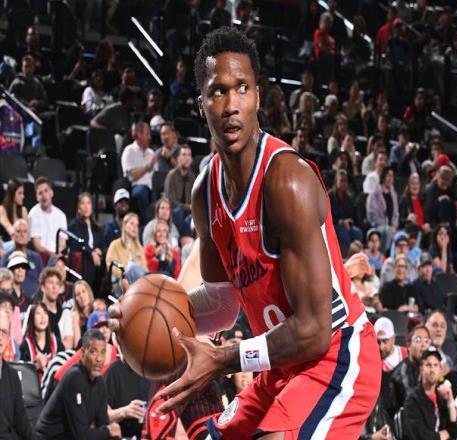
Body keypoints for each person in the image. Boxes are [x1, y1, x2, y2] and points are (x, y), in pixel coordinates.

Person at [114, 27, 380, 439]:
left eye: (242, 88)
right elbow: (222, 306)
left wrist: (224, 358)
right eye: (218, 92)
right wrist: (145, 315)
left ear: (258, 96)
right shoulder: (205, 193)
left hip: (336, 354)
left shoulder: (287, 181)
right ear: (201, 104)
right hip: (279, 363)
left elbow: (313, 331)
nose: (231, 105)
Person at [35, 329, 122, 439]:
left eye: (103, 352)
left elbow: (103, 424)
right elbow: (81, 435)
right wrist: (108, 431)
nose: (99, 359)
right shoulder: (74, 378)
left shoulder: (100, 383)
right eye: (93, 352)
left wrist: (111, 433)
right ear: (82, 352)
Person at [402, 347, 457, 439]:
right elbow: (419, 435)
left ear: (440, 369)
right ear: (421, 369)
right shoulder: (413, 400)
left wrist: (450, 401)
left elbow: (456, 430)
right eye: (428, 365)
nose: (432, 370)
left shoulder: (442, 397)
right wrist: (441, 436)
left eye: (435, 365)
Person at [0, 310, 33, 439]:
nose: (0, 337)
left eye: (4, 332)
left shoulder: (12, 376)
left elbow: (22, 422)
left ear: (9, 337)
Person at [390, 325, 432, 415]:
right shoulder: (401, 372)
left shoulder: (430, 368)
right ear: (409, 345)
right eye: (418, 340)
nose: (423, 345)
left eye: (426, 341)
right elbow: (411, 401)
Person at [121, 122, 157, 221]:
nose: (150, 138)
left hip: (153, 188)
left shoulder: (151, 153)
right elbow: (130, 176)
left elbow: (157, 174)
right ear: (139, 134)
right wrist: (147, 168)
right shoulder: (129, 151)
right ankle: (147, 223)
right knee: (140, 192)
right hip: (137, 187)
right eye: (147, 134)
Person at [20, 300, 64, 382]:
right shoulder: (25, 346)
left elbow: (64, 370)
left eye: (45, 313)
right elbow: (21, 375)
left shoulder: (57, 344)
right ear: (31, 317)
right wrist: (36, 366)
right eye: (38, 313)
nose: (42, 317)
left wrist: (47, 364)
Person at [68, 192, 104, 290]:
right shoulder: (74, 225)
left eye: (88, 203)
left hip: (96, 260)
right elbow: (78, 243)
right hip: (84, 260)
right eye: (82, 203)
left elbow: (101, 244)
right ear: (78, 207)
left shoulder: (96, 227)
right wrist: (92, 252)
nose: (86, 206)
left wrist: (99, 250)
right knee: (89, 261)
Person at [0, 219, 44, 299]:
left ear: (29, 236)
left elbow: (42, 280)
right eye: (18, 231)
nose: (22, 234)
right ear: (13, 235)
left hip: (35, 300)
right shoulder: (6, 257)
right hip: (13, 300)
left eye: (25, 231)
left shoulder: (36, 257)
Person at [28, 177, 67, 259]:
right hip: (41, 256)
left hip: (57, 255)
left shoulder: (61, 215)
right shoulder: (33, 214)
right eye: (40, 193)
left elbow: (62, 243)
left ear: (51, 193)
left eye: (46, 191)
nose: (44, 195)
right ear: (37, 197)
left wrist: (57, 255)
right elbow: (37, 245)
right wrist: (52, 255)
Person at [163, 144, 196, 236]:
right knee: (179, 212)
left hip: (188, 212)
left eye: (189, 155)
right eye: (184, 155)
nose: (187, 158)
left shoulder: (192, 177)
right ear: (178, 159)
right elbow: (171, 201)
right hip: (174, 211)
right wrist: (188, 207)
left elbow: (195, 198)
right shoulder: (171, 176)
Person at [366, 166, 399, 253]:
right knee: (386, 231)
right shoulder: (375, 194)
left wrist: (394, 225)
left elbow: (396, 214)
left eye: (392, 176)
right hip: (377, 226)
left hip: (391, 227)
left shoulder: (393, 194)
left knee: (402, 235)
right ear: (383, 176)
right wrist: (387, 225)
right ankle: (383, 255)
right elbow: (372, 215)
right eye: (388, 175)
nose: (390, 178)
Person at [105, 213, 146, 279]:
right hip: (121, 280)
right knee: (132, 267)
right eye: (132, 223)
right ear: (124, 225)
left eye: (137, 225)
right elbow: (111, 265)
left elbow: (144, 267)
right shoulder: (115, 245)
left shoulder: (140, 248)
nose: (135, 227)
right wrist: (125, 274)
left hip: (137, 281)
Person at [0, 178, 28, 249]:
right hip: (5, 246)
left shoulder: (23, 210)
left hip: (20, 245)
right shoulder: (2, 209)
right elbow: (10, 230)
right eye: (20, 193)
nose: (23, 196)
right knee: (15, 244)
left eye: (23, 193)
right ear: (12, 194)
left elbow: (26, 234)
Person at [7, 251, 31, 316]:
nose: (20, 270)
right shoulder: (5, 296)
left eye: (23, 267)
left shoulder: (28, 299)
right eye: (17, 266)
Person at [71, 280, 94, 349]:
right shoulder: (76, 315)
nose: (81, 296)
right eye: (78, 294)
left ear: (89, 293)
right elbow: (77, 344)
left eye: (84, 291)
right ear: (76, 299)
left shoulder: (96, 311)